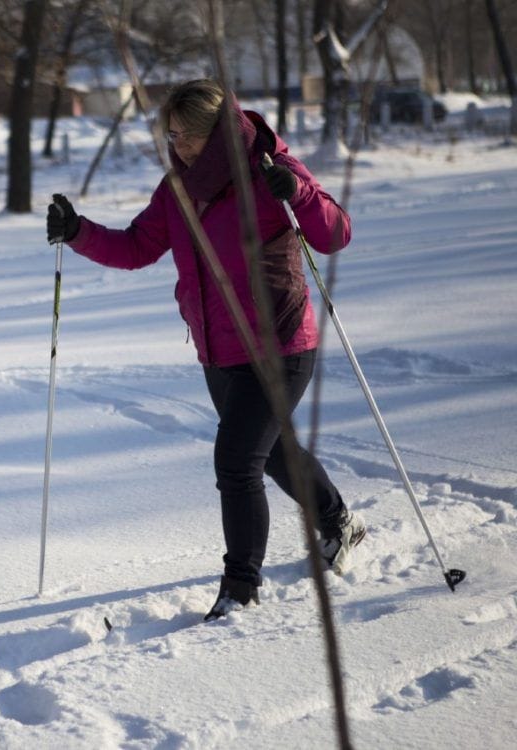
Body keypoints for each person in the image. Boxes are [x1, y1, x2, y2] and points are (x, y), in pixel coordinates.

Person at [46, 79, 366, 621]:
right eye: (170, 134)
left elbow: (335, 235)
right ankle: (337, 519)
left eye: (186, 135)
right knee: (272, 454)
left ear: (214, 133)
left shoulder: (268, 170)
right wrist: (79, 231)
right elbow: (137, 247)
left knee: (238, 462)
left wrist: (298, 192)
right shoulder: (178, 189)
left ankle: (240, 589)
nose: (178, 145)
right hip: (219, 351)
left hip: (280, 343)